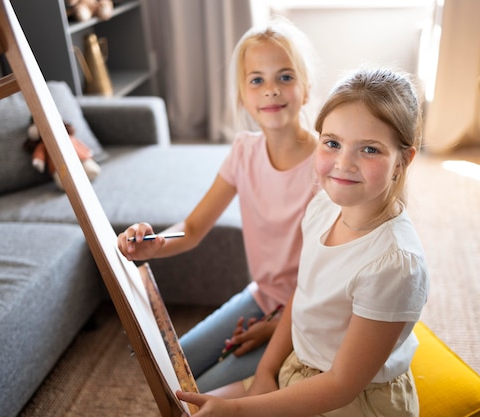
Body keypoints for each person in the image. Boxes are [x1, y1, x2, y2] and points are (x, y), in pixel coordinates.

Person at [176, 67, 431, 417]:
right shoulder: (323, 206)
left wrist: (237, 410)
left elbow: (342, 385)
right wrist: (266, 369)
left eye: (369, 149)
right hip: (300, 365)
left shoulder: (395, 264)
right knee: (188, 407)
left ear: (403, 160)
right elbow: (304, 290)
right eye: (332, 143)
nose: (344, 163)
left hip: (351, 400)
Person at [117, 17, 319, 392]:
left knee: (202, 397)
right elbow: (191, 229)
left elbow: (332, 280)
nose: (270, 90)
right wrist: (154, 242)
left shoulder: (325, 166)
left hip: (307, 317)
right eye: (256, 79)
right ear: (243, 95)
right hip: (261, 296)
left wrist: (275, 328)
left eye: (285, 77)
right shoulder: (244, 151)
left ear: (306, 89)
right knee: (168, 373)